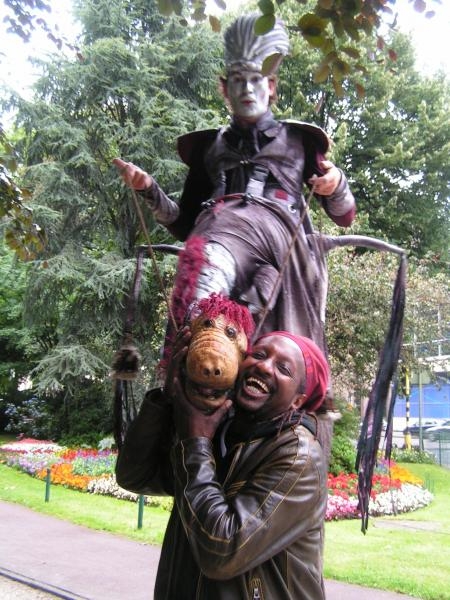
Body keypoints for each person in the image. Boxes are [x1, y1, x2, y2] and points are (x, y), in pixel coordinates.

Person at [113, 13, 356, 355]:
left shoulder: (299, 141)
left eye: (256, 80)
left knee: (275, 341)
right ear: (224, 88)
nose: (247, 90)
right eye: (238, 81)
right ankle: (194, 357)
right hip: (216, 237)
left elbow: (344, 216)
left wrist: (336, 184)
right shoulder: (208, 147)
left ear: (271, 86)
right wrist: (149, 190)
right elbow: (184, 224)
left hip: (280, 247)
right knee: (202, 279)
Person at [115, 328, 330, 599]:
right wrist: (168, 399)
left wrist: (195, 442)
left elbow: (223, 551)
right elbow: (135, 476)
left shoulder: (298, 455)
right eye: (258, 355)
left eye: (283, 369)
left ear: (298, 400)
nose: (264, 366)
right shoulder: (219, 428)